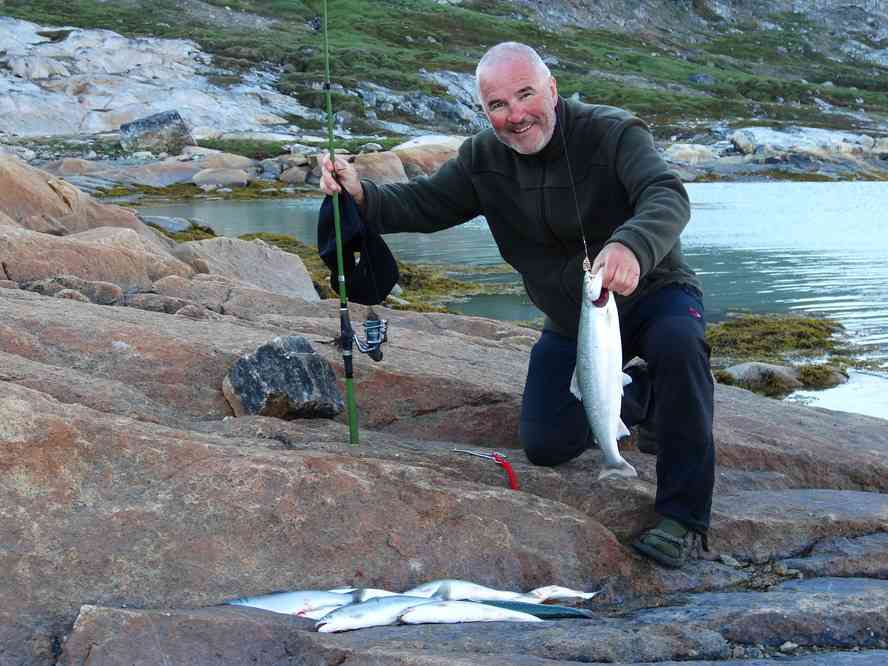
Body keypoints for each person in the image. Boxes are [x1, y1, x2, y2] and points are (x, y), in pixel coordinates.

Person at [320, 41, 714, 568]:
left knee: (679, 346)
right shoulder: (484, 158)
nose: (515, 115)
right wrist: (361, 194)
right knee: (547, 443)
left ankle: (684, 519)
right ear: (484, 111)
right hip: (576, 319)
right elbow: (425, 203)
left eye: (526, 95)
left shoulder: (614, 132)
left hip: (653, 293)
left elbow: (667, 194)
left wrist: (630, 246)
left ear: (552, 89)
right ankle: (644, 397)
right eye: (497, 105)